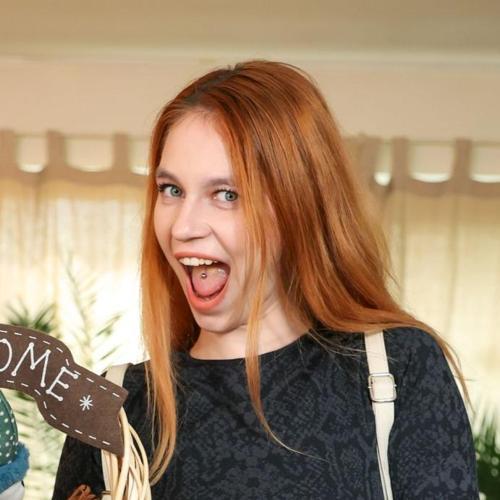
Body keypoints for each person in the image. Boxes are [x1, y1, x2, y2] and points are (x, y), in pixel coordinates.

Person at [52, 60, 479, 499]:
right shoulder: (110, 407)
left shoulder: (395, 367)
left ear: (300, 208)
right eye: (172, 190)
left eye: (227, 194)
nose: (183, 227)